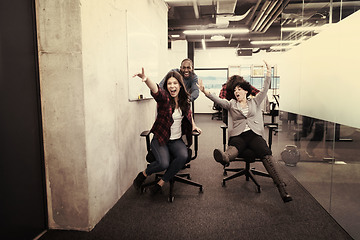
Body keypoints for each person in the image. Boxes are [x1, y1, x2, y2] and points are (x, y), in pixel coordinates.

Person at [197, 60, 292, 203]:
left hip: (254, 134)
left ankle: (282, 188)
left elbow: (265, 88)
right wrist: (205, 91)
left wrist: (268, 72)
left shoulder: (255, 101)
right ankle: (225, 158)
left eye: (239, 89)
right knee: (234, 147)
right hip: (239, 134)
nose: (236, 92)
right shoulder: (231, 104)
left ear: (246, 90)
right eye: (235, 90)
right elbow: (217, 99)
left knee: (266, 154)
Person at [132, 68, 202, 195]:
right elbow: (156, 90)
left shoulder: (185, 101)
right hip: (161, 139)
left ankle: (161, 182)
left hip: (176, 140)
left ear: (180, 85)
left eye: (175, 83)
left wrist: (194, 126)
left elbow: (189, 115)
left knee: (183, 156)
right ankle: (143, 174)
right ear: (166, 86)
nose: (172, 86)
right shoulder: (164, 99)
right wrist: (146, 79)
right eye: (169, 84)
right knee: (163, 163)